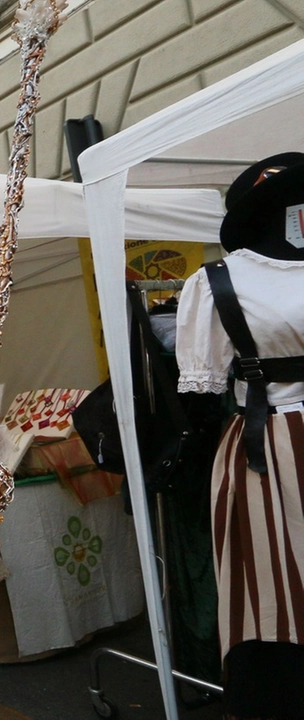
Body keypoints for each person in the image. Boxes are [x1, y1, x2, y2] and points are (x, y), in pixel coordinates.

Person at [176, 153, 304, 720]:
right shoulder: (214, 284)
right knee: (272, 587)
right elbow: (200, 387)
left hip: (272, 442)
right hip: (269, 449)